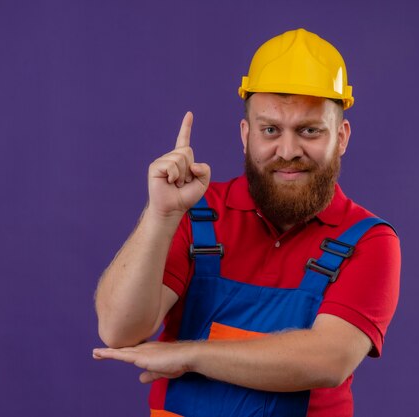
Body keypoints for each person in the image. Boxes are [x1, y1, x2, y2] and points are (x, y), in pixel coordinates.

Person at [93, 28, 401, 417]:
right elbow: (119, 331)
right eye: (270, 130)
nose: (288, 151)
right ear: (246, 135)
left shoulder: (368, 240)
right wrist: (161, 215)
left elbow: (329, 359)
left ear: (341, 137)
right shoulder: (198, 213)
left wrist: (188, 355)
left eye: (309, 130)